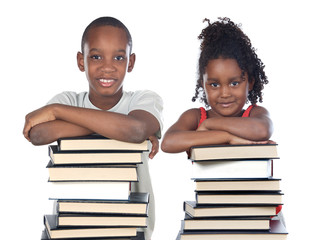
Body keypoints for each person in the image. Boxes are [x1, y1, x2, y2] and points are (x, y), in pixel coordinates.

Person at [23, 16, 163, 240]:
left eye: (119, 57)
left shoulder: (143, 100)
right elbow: (38, 133)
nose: (107, 67)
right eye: (96, 56)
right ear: (81, 61)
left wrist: (58, 113)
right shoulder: (69, 100)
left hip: (129, 229)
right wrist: (117, 127)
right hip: (73, 227)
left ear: (131, 62)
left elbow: (135, 130)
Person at [161, 17, 285, 226]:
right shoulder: (195, 117)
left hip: (257, 212)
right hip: (212, 213)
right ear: (203, 84)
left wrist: (210, 126)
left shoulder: (255, 114)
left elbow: (262, 130)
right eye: (215, 84)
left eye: (235, 83)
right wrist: (228, 137)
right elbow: (168, 143)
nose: (225, 93)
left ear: (250, 82)